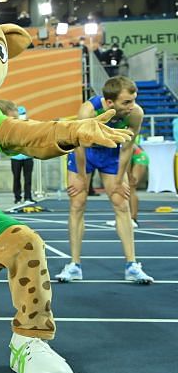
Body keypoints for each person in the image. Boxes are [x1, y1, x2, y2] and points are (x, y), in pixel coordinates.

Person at [57, 76, 154, 284]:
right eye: (126, 102)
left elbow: (128, 146)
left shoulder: (136, 114)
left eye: (134, 100)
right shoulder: (88, 111)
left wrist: (120, 179)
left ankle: (132, 265)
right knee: (77, 203)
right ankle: (74, 265)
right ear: (110, 103)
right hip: (85, 152)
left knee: (121, 202)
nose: (132, 106)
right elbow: (79, 144)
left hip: (111, 152)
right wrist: (82, 177)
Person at [106, 141, 148, 228]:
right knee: (124, 189)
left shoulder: (123, 140)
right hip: (130, 159)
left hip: (139, 159)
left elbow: (127, 157)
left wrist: (127, 173)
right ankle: (125, 217)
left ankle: (133, 218)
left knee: (131, 187)